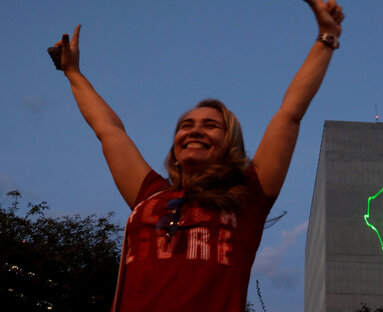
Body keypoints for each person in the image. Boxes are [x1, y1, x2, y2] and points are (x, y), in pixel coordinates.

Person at [51, 1, 344, 311]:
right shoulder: (149, 194)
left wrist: (326, 37)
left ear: (230, 143)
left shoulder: (249, 195)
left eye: (211, 126)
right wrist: (73, 73)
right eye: (185, 125)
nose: (194, 131)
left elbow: (290, 114)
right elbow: (109, 130)